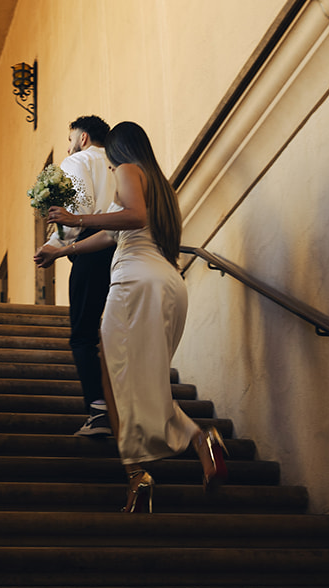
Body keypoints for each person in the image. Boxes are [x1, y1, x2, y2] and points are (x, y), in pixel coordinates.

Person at [41, 120, 228, 511]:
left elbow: (133, 217)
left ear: (119, 149)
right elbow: (114, 233)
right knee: (142, 380)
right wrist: (64, 251)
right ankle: (199, 441)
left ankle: (139, 475)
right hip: (167, 284)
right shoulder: (161, 185)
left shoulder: (128, 171)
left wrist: (75, 220)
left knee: (113, 377)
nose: (109, 164)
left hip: (135, 283)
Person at [34, 115, 116, 438]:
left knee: (83, 334)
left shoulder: (77, 161)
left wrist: (56, 245)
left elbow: (77, 211)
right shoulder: (120, 163)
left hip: (92, 251)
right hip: (125, 251)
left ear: (82, 138)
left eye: (70, 141)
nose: (68, 149)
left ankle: (98, 412)